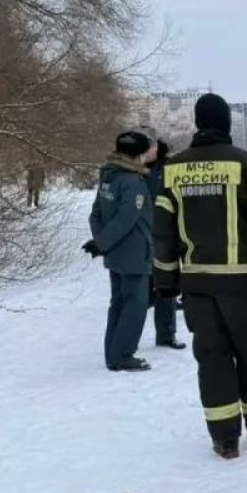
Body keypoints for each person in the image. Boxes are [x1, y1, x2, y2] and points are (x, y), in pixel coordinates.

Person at [153, 93, 247, 459]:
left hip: (197, 285)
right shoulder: (245, 164)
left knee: (212, 358)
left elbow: (163, 232)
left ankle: (224, 437)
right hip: (243, 283)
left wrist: (165, 281)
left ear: (198, 123)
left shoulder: (172, 170)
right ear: (227, 124)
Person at [84, 130, 156, 372]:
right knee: (135, 305)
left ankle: (113, 353)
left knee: (118, 302)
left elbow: (96, 214)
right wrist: (102, 243)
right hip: (135, 252)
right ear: (139, 154)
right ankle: (123, 354)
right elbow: (127, 218)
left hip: (115, 254)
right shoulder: (133, 182)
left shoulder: (108, 177)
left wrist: (102, 242)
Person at [145, 135, 186, 350]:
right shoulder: (135, 171)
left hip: (164, 236)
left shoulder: (170, 169)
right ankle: (127, 339)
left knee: (166, 287)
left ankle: (167, 334)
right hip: (143, 237)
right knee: (140, 291)